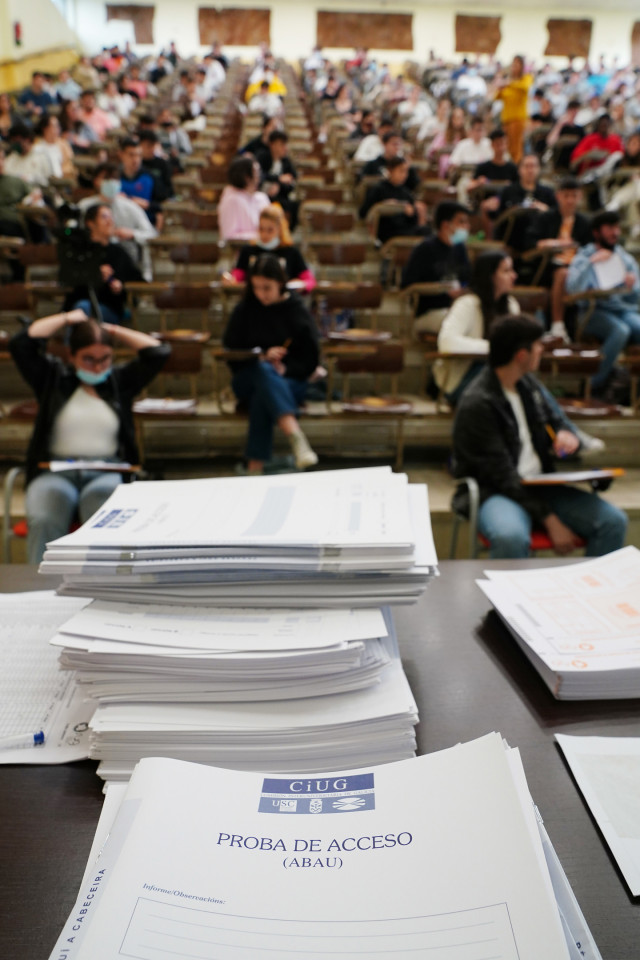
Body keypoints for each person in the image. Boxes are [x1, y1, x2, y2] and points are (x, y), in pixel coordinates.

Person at [452, 314, 627, 558]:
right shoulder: (478, 403)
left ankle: (591, 592)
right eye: (537, 346)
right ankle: (508, 597)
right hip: (494, 490)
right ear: (521, 355)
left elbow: (557, 423)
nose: (542, 350)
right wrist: (550, 520)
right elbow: (502, 476)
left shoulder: (529, 387)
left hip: (541, 484)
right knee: (510, 537)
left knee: (613, 522)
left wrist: (567, 437)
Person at [9, 310, 170, 564]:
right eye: (88, 359)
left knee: (103, 516)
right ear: (71, 356)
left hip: (106, 470)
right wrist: (65, 319)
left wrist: (111, 330)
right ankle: (39, 592)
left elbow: (158, 352)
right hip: (55, 471)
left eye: (105, 358)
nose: (97, 366)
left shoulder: (119, 382)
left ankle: (100, 587)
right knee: (45, 519)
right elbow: (21, 344)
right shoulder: (53, 379)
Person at [222, 255, 320, 474]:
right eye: (256, 288)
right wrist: (261, 356)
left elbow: (311, 358)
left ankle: (254, 468)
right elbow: (230, 351)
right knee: (263, 372)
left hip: (289, 380)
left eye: (267, 288)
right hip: (248, 377)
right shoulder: (245, 308)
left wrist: (287, 368)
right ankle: (295, 434)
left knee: (262, 396)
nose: (261, 294)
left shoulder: (296, 309)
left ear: (280, 283)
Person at [566, 209, 640, 396]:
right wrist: (591, 263)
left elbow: (636, 298)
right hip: (592, 312)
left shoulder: (625, 259)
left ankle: (633, 386)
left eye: (617, 228)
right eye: (609, 228)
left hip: (622, 310)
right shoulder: (584, 256)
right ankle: (593, 385)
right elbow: (572, 289)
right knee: (620, 330)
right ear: (597, 232)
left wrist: (632, 286)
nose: (615, 232)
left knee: (636, 326)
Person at [436, 250, 519, 403]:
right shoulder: (467, 303)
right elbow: (446, 342)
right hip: (462, 378)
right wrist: (493, 347)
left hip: (497, 374)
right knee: (500, 374)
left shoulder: (512, 305)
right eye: (506, 271)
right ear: (490, 275)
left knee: (524, 379)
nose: (514, 276)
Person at [524, 177, 592, 339]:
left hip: (576, 266)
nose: (570, 200)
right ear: (558, 196)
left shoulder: (584, 223)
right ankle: (557, 324)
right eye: (566, 195)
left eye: (574, 196)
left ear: (580, 197)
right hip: (548, 266)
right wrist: (551, 243)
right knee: (562, 273)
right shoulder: (546, 218)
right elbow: (529, 242)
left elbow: (589, 249)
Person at [65, 202, 144, 323]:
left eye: (111, 217)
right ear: (90, 223)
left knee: (82, 310)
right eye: (104, 217)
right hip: (79, 304)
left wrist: (120, 285)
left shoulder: (118, 252)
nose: (110, 221)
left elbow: (139, 281)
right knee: (80, 309)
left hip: (109, 309)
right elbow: (67, 278)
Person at [401, 201, 471, 335]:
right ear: (446, 225)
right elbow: (408, 287)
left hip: (457, 308)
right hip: (429, 312)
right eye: (462, 222)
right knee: (457, 323)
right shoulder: (424, 249)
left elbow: (468, 279)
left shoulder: (460, 249)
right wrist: (443, 292)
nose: (467, 227)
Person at [227, 205, 316, 291]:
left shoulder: (291, 252)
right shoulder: (248, 250)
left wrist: (302, 284)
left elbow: (309, 280)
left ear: (280, 230)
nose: (265, 234)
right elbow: (237, 275)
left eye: (270, 230)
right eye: (261, 229)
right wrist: (230, 280)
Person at [359, 156, 427, 246]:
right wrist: (383, 206)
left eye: (406, 171)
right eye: (401, 171)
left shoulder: (406, 193)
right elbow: (363, 213)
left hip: (405, 228)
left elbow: (413, 221)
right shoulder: (379, 189)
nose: (404, 175)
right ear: (390, 170)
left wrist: (411, 213)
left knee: (426, 232)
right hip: (388, 231)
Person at [218, 154, 270, 241]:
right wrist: (260, 237)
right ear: (246, 178)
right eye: (256, 174)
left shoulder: (262, 198)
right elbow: (229, 235)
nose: (259, 179)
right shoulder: (231, 200)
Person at [494, 55, 533, 164]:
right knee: (508, 148)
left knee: (517, 149)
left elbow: (525, 87)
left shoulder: (526, 78)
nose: (514, 67)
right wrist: (500, 85)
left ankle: (516, 169)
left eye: (517, 64)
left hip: (518, 120)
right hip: (506, 120)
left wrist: (508, 83)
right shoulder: (508, 82)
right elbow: (497, 96)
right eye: (513, 64)